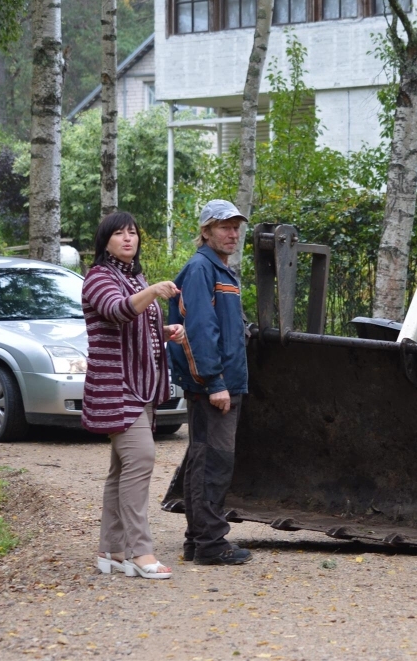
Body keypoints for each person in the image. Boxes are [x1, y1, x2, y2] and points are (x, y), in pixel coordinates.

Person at [83, 211, 184, 580]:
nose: (128, 239)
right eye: (119, 233)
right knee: (141, 458)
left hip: (140, 385)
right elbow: (117, 311)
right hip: (115, 386)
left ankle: (111, 550)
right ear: (105, 241)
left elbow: (140, 322)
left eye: (133, 233)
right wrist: (154, 291)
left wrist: (166, 330)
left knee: (122, 469)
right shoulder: (98, 277)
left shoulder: (133, 277)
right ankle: (139, 552)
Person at [167, 199, 253, 567]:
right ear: (206, 231)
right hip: (213, 385)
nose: (232, 234)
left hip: (223, 381)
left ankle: (198, 539)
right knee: (212, 462)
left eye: (236, 227)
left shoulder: (220, 270)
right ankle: (211, 543)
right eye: (224, 227)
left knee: (204, 458)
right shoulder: (202, 269)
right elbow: (200, 329)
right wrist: (215, 382)